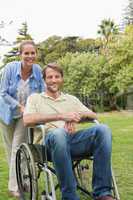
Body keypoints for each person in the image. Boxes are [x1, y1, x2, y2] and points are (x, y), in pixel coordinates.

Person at [23, 63, 114, 200]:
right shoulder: (35, 98)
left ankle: (102, 193)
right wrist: (61, 116)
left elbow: (94, 115)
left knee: (103, 129)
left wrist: (75, 117)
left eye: (57, 76)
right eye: (50, 77)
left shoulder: (71, 99)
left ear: (62, 78)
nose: (54, 80)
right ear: (44, 80)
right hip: (48, 145)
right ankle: (70, 196)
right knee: (59, 133)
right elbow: (28, 120)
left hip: (72, 142)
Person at [0, 40, 45, 197]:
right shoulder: (10, 69)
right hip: (6, 113)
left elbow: (42, 92)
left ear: (36, 54)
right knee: (10, 149)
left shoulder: (38, 70)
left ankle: (16, 186)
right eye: (26, 53)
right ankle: (21, 179)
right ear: (20, 55)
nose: (30, 56)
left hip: (25, 116)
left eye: (33, 53)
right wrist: (19, 106)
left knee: (18, 148)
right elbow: (3, 93)